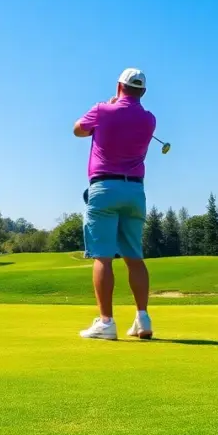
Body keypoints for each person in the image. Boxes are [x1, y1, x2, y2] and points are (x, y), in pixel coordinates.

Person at [73, 68, 157, 340]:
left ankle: (106, 322)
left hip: (104, 188)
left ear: (119, 86)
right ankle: (142, 319)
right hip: (134, 191)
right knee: (134, 257)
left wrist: (108, 106)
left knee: (103, 257)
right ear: (142, 91)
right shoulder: (149, 120)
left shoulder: (102, 110)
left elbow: (78, 130)